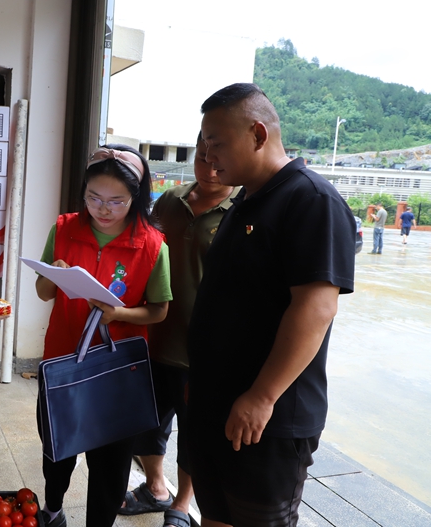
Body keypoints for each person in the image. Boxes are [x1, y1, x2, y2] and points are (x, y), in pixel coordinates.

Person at [187, 83, 355, 527]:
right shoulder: (244, 201)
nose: (208, 156)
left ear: (258, 134)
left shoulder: (310, 200)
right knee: (216, 516)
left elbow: (316, 309)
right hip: (217, 406)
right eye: (205, 144)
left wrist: (262, 396)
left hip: (266, 418)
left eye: (216, 143)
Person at [35, 144, 172, 527]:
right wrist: (53, 273)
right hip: (63, 359)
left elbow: (159, 310)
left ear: (136, 197)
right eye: (93, 197)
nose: (103, 209)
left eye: (117, 201)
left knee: (110, 463)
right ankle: (53, 508)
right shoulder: (64, 229)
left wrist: (119, 314)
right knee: (57, 447)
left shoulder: (151, 244)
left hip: (117, 371)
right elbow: (43, 293)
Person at [119, 133, 239, 527]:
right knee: (147, 422)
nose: (209, 169)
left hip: (201, 350)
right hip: (153, 335)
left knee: (194, 433)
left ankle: (183, 504)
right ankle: (156, 487)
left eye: (217, 161)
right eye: (202, 158)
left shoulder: (241, 209)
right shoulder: (170, 201)